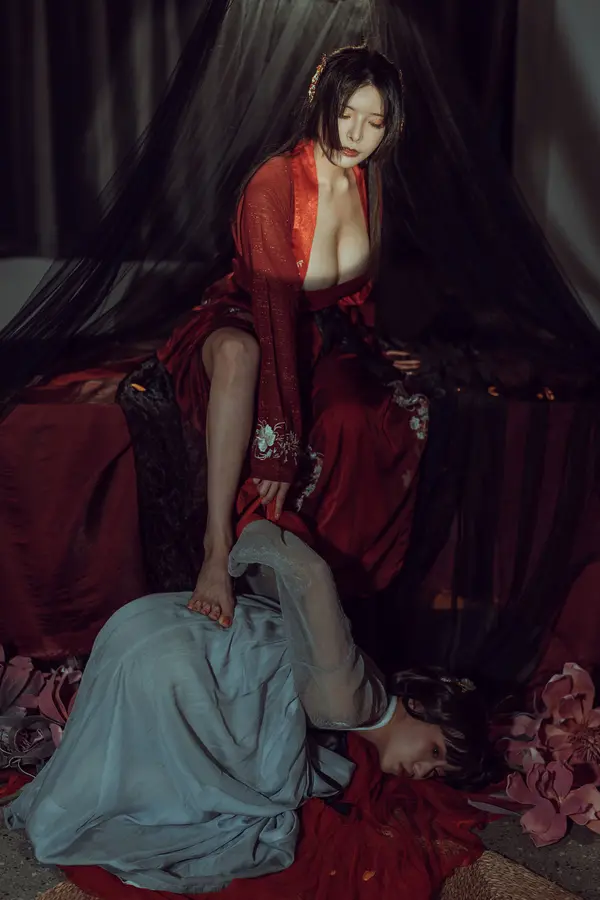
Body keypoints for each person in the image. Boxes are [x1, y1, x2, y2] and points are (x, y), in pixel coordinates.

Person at [5, 521, 491, 895]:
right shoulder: (351, 703)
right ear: (420, 706)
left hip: (159, 625)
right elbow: (310, 575)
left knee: (129, 762)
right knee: (236, 800)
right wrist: (226, 561)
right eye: (434, 750)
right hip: (180, 663)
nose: (422, 770)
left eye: (435, 772)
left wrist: (239, 561)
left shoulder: (370, 685)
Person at [158, 46, 428, 628]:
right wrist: (275, 452)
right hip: (251, 316)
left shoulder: (371, 183)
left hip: (321, 333)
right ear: (319, 104)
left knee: (360, 417)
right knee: (241, 354)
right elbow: (275, 314)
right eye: (345, 113)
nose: (355, 134)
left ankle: (341, 586)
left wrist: (376, 346)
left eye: (375, 122)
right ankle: (215, 548)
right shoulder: (274, 183)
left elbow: (357, 297)